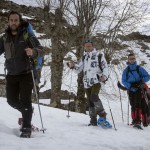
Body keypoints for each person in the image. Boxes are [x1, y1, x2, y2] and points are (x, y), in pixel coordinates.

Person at [0, 11, 43, 137]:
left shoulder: (27, 35)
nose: (13, 22)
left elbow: (41, 49)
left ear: (19, 21)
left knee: (25, 101)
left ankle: (26, 127)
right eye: (11, 20)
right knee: (11, 100)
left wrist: (33, 51)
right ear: (8, 22)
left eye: (16, 20)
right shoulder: (4, 38)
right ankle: (27, 112)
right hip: (11, 74)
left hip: (26, 73)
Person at [68, 39, 109, 126]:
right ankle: (93, 120)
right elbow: (79, 69)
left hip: (97, 80)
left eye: (90, 46)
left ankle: (102, 116)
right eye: (86, 46)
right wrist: (73, 66)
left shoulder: (99, 55)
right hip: (87, 82)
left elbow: (105, 67)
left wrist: (104, 76)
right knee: (90, 101)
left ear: (93, 46)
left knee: (94, 96)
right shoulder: (84, 57)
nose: (88, 47)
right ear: (84, 47)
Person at [122, 53, 150, 128]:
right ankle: (135, 120)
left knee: (139, 104)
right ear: (128, 60)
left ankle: (139, 121)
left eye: (133, 58)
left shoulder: (139, 68)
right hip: (131, 89)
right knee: (132, 104)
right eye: (130, 59)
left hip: (140, 88)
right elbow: (124, 80)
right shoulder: (126, 71)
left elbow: (148, 76)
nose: (132, 60)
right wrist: (130, 87)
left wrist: (141, 81)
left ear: (135, 59)